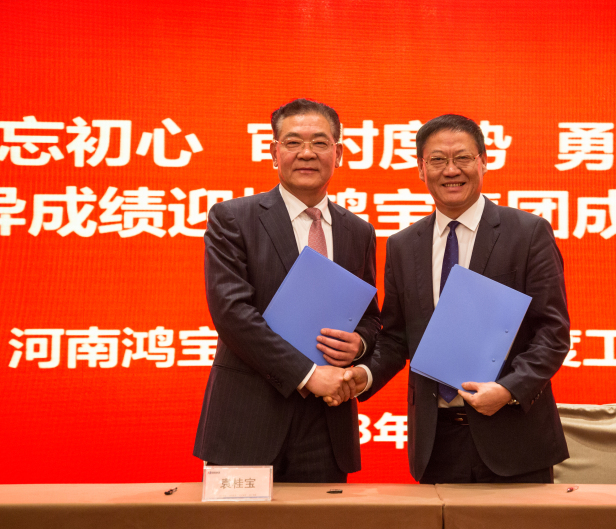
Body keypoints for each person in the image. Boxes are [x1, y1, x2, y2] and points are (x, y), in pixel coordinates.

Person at [339, 114, 570, 483]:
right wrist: (363, 376)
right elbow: (396, 337)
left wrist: (508, 390)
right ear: (421, 169)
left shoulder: (527, 233)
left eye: (462, 158)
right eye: (437, 160)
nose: (451, 170)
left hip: (514, 436)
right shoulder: (403, 245)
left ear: (483, 161)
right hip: (436, 442)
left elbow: (552, 333)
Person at [194, 98, 380, 483]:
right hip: (247, 420)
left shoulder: (358, 231)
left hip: (326, 425)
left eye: (320, 143)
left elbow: (369, 317)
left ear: (338, 153)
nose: (307, 153)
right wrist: (308, 374)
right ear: (274, 152)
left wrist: (359, 344)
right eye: (293, 142)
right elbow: (232, 314)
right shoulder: (233, 218)